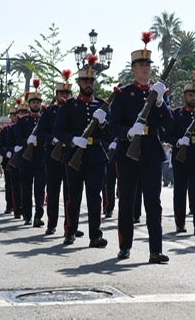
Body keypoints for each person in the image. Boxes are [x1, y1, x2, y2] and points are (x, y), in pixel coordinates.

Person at [109, 33, 172, 263]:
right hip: (128, 153)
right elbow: (112, 125)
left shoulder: (157, 94)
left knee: (153, 203)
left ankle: (155, 250)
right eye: (141, 65)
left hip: (152, 152)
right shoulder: (123, 94)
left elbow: (170, 125)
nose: (146, 69)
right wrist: (128, 131)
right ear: (133, 68)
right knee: (126, 201)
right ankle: (125, 246)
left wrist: (161, 104)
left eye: (148, 65)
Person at [54, 56, 109, 249]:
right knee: (74, 197)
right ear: (78, 83)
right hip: (74, 156)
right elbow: (58, 131)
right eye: (85, 81)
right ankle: (70, 231)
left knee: (95, 197)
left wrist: (103, 123)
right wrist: (73, 140)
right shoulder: (69, 106)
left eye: (91, 81)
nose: (88, 84)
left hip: (95, 156)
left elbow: (108, 133)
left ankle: (95, 235)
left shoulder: (101, 106)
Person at [166, 70, 195, 235]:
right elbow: (167, 134)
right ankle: (180, 223)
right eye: (190, 94)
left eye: (194, 95)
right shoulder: (177, 114)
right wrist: (178, 141)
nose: (192, 97)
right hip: (181, 156)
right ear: (185, 96)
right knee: (180, 191)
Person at [38, 70, 76, 235]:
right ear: (57, 93)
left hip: (71, 155)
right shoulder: (49, 111)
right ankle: (51, 223)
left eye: (67, 92)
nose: (65, 95)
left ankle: (70, 225)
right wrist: (51, 139)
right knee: (53, 191)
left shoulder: (75, 108)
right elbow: (40, 133)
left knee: (71, 193)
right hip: (53, 155)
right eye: (62, 92)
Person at [16, 81, 47, 227]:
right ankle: (27, 215)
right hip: (26, 160)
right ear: (29, 105)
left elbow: (49, 135)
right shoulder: (23, 121)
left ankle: (38, 216)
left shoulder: (44, 120)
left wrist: (39, 139)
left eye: (38, 102)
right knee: (27, 190)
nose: (35, 105)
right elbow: (17, 138)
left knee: (40, 190)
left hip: (41, 160)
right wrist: (26, 141)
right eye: (33, 102)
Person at [0, 106, 19, 215]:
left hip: (22, 160)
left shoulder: (23, 127)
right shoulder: (6, 130)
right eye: (13, 115)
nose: (15, 117)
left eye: (16, 114)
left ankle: (20, 206)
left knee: (21, 185)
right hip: (9, 161)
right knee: (9, 185)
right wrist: (6, 153)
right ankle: (9, 205)